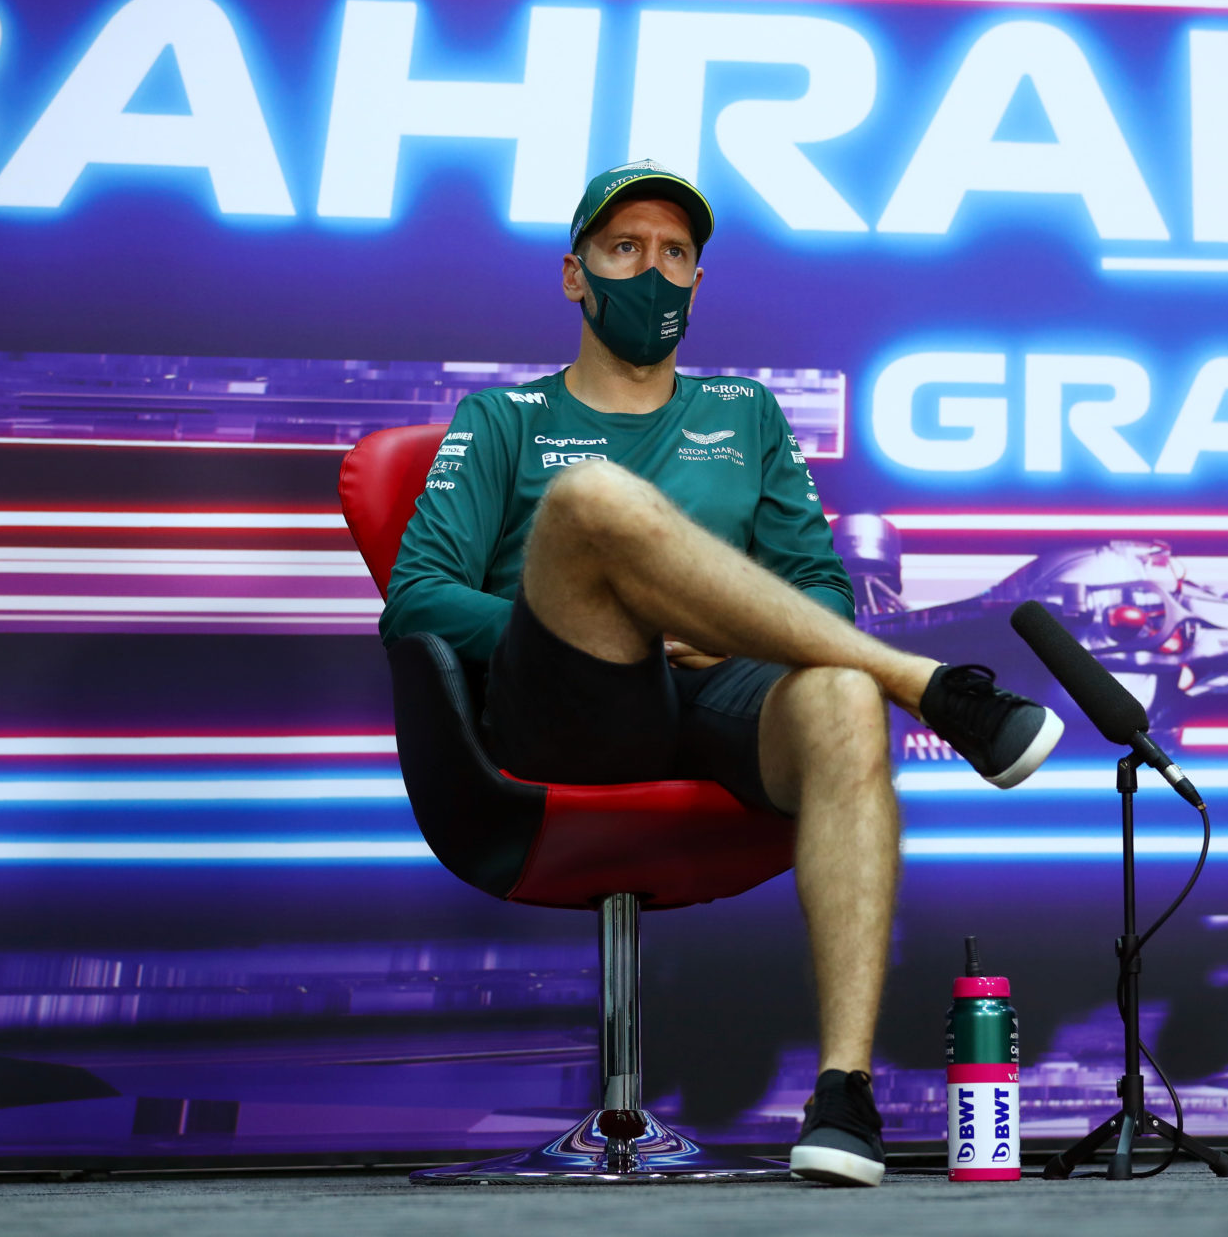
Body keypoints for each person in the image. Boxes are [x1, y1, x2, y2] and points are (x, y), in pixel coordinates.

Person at [379, 159, 1064, 1186]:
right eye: (625, 250)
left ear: (699, 281)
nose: (652, 272)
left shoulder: (745, 412)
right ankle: (923, 680)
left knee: (837, 688)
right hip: (572, 701)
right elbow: (419, 597)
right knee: (590, 500)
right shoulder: (504, 420)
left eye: (676, 254)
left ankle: (844, 1092)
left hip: (719, 700)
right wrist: (632, 625)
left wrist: (737, 637)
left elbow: (822, 598)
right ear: (575, 275)